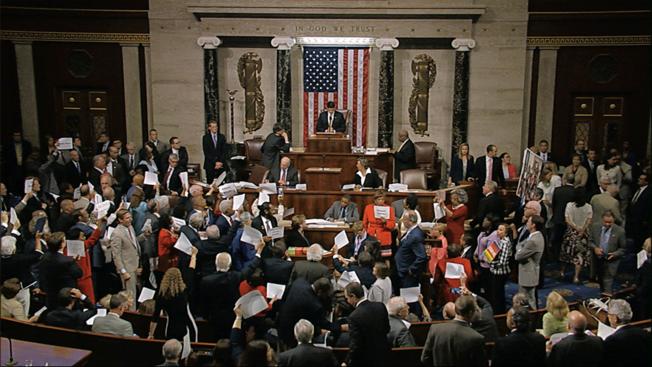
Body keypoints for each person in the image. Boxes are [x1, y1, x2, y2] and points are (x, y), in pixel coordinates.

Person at [200, 241, 263, 339]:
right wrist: (258, 252)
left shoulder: (206, 280)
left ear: (215, 264)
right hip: (231, 316)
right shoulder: (235, 277)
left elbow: (203, 300)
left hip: (213, 316)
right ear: (230, 265)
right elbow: (250, 268)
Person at [148, 247, 199, 342]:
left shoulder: (161, 296)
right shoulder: (184, 289)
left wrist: (151, 334)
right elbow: (191, 269)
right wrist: (194, 255)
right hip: (187, 326)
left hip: (170, 328)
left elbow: (155, 317)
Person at [421, 295, 486, 367]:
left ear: (456, 309)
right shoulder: (476, 338)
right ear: (471, 313)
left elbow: (425, 359)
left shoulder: (435, 329)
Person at [278, 277, 337, 348]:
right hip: (292, 333)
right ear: (320, 292)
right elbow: (322, 324)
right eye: (325, 294)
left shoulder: (299, 281)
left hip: (281, 321)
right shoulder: (315, 305)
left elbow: (283, 297)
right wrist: (338, 327)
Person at [344, 282, 391, 367]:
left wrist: (346, 361)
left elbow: (356, 344)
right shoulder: (380, 306)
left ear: (353, 296)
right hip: (384, 356)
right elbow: (387, 329)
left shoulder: (354, 316)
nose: (347, 301)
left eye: (347, 298)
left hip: (366, 360)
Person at [38, 232, 83, 309]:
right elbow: (79, 274)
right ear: (62, 244)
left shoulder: (43, 257)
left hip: (50, 295)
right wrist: (74, 262)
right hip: (66, 298)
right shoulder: (67, 261)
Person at [110, 210, 144, 310]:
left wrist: (144, 236)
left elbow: (133, 244)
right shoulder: (116, 234)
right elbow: (116, 255)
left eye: (130, 217)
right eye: (127, 218)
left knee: (136, 293)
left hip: (136, 266)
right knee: (130, 297)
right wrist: (123, 272)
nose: (131, 220)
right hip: (127, 269)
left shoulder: (130, 227)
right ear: (120, 220)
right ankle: (131, 317)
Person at [604, 299, 652, 367]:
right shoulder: (644, 333)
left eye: (609, 315)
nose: (608, 318)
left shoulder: (612, 340)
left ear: (615, 318)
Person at [560, 187, 593, 284]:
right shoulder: (588, 206)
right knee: (579, 256)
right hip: (583, 234)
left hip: (571, 233)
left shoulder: (569, 205)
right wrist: (582, 229)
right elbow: (589, 220)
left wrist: (576, 227)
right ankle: (576, 277)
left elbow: (567, 220)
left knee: (566, 254)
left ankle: (562, 271)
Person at [588, 210, 626, 293]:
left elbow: (623, 249)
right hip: (597, 260)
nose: (607, 224)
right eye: (605, 222)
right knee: (601, 281)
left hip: (611, 260)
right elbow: (590, 241)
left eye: (610, 222)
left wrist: (615, 254)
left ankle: (608, 300)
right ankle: (604, 297)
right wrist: (595, 248)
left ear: (614, 220)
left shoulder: (620, 231)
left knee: (608, 282)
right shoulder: (595, 227)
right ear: (602, 219)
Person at [515, 215, 545, 310]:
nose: (526, 223)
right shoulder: (537, 235)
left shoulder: (533, 240)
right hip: (531, 272)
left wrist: (519, 248)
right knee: (530, 299)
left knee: (527, 301)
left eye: (528, 222)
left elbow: (518, 256)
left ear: (533, 225)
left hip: (528, 274)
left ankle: (531, 320)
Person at [394, 210, 427, 290]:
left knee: (409, 298)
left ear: (411, 221)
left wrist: (412, 269)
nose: (403, 222)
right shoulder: (410, 231)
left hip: (408, 274)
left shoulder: (416, 235)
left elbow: (422, 256)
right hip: (402, 270)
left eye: (404, 219)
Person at [362, 190, 395, 258]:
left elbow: (392, 225)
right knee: (370, 257)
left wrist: (386, 222)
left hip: (384, 235)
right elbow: (364, 223)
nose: (381, 201)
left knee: (385, 258)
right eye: (378, 199)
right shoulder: (368, 208)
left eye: (382, 199)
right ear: (375, 200)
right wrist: (365, 235)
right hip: (371, 235)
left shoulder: (389, 209)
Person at [488, 223, 512, 314]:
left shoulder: (505, 243)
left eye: (501, 230)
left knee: (498, 294)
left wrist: (491, 263)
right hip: (494, 271)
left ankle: (499, 313)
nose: (498, 231)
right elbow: (489, 255)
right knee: (495, 293)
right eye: (498, 229)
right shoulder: (498, 240)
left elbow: (503, 261)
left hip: (500, 272)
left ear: (506, 233)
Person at [626, 172, 651, 250]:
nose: (638, 180)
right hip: (633, 223)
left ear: (646, 181)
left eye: (641, 179)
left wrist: (645, 221)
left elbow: (648, 208)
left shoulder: (649, 192)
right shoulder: (636, 189)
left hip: (642, 224)